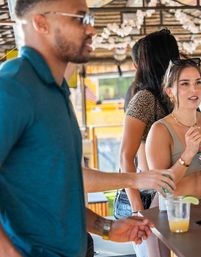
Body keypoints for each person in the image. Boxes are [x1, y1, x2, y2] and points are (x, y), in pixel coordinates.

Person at [0, 0, 154, 256]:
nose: (91, 29)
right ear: (41, 23)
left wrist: (106, 227)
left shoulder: (56, 91)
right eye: (79, 19)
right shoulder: (14, 87)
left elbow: (57, 190)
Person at [146, 58, 201, 257]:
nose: (194, 90)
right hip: (171, 214)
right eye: (185, 84)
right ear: (170, 91)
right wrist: (188, 154)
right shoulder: (160, 130)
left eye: (198, 82)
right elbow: (162, 186)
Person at [119, 29, 179, 257]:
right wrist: (137, 208)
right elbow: (125, 155)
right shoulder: (144, 98)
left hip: (168, 193)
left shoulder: (171, 96)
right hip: (147, 194)